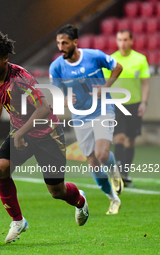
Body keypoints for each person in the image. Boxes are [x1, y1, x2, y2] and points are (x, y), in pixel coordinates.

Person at [0, 32, 89, 244]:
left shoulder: (21, 80)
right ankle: (18, 221)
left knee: (57, 191)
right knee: (1, 167)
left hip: (48, 134)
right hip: (21, 132)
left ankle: (80, 200)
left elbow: (43, 108)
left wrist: (20, 132)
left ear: (5, 59)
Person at [49, 24, 124, 215]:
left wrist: (106, 86)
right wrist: (65, 101)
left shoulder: (94, 56)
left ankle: (115, 173)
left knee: (102, 154)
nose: (61, 47)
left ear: (75, 42)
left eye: (64, 42)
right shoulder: (56, 67)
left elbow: (118, 67)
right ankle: (113, 199)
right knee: (92, 161)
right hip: (80, 115)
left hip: (102, 109)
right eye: (58, 43)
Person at [103, 29, 150, 187]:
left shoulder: (140, 59)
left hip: (134, 104)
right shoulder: (111, 60)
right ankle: (118, 175)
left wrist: (144, 102)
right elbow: (105, 83)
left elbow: (145, 83)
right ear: (116, 42)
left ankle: (125, 173)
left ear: (131, 41)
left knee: (130, 140)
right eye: (120, 40)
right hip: (116, 104)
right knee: (119, 138)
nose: (123, 43)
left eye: (125, 40)